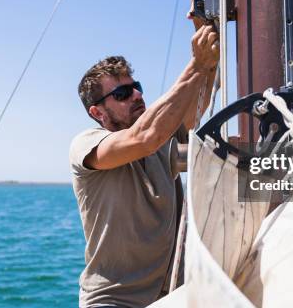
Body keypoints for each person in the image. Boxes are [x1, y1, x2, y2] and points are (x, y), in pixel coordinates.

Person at [70, 22, 219, 308]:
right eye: (122, 94)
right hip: (113, 301)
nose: (137, 95)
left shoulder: (161, 139)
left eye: (135, 88)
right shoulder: (86, 144)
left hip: (174, 294)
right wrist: (197, 64)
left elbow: (195, 105)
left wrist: (209, 46)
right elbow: (145, 137)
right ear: (97, 112)